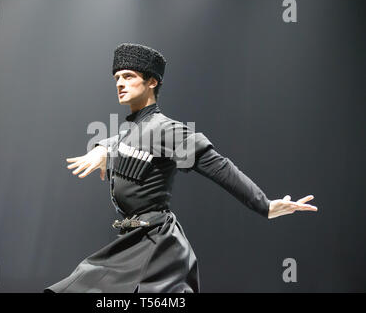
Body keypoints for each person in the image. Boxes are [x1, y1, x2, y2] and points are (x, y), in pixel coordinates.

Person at [44, 43, 317, 293]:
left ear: (152, 81)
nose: (120, 83)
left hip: (157, 246)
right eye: (117, 78)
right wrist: (101, 149)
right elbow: (118, 141)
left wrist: (265, 205)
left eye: (128, 76)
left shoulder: (168, 130)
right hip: (132, 242)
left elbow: (219, 167)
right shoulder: (131, 129)